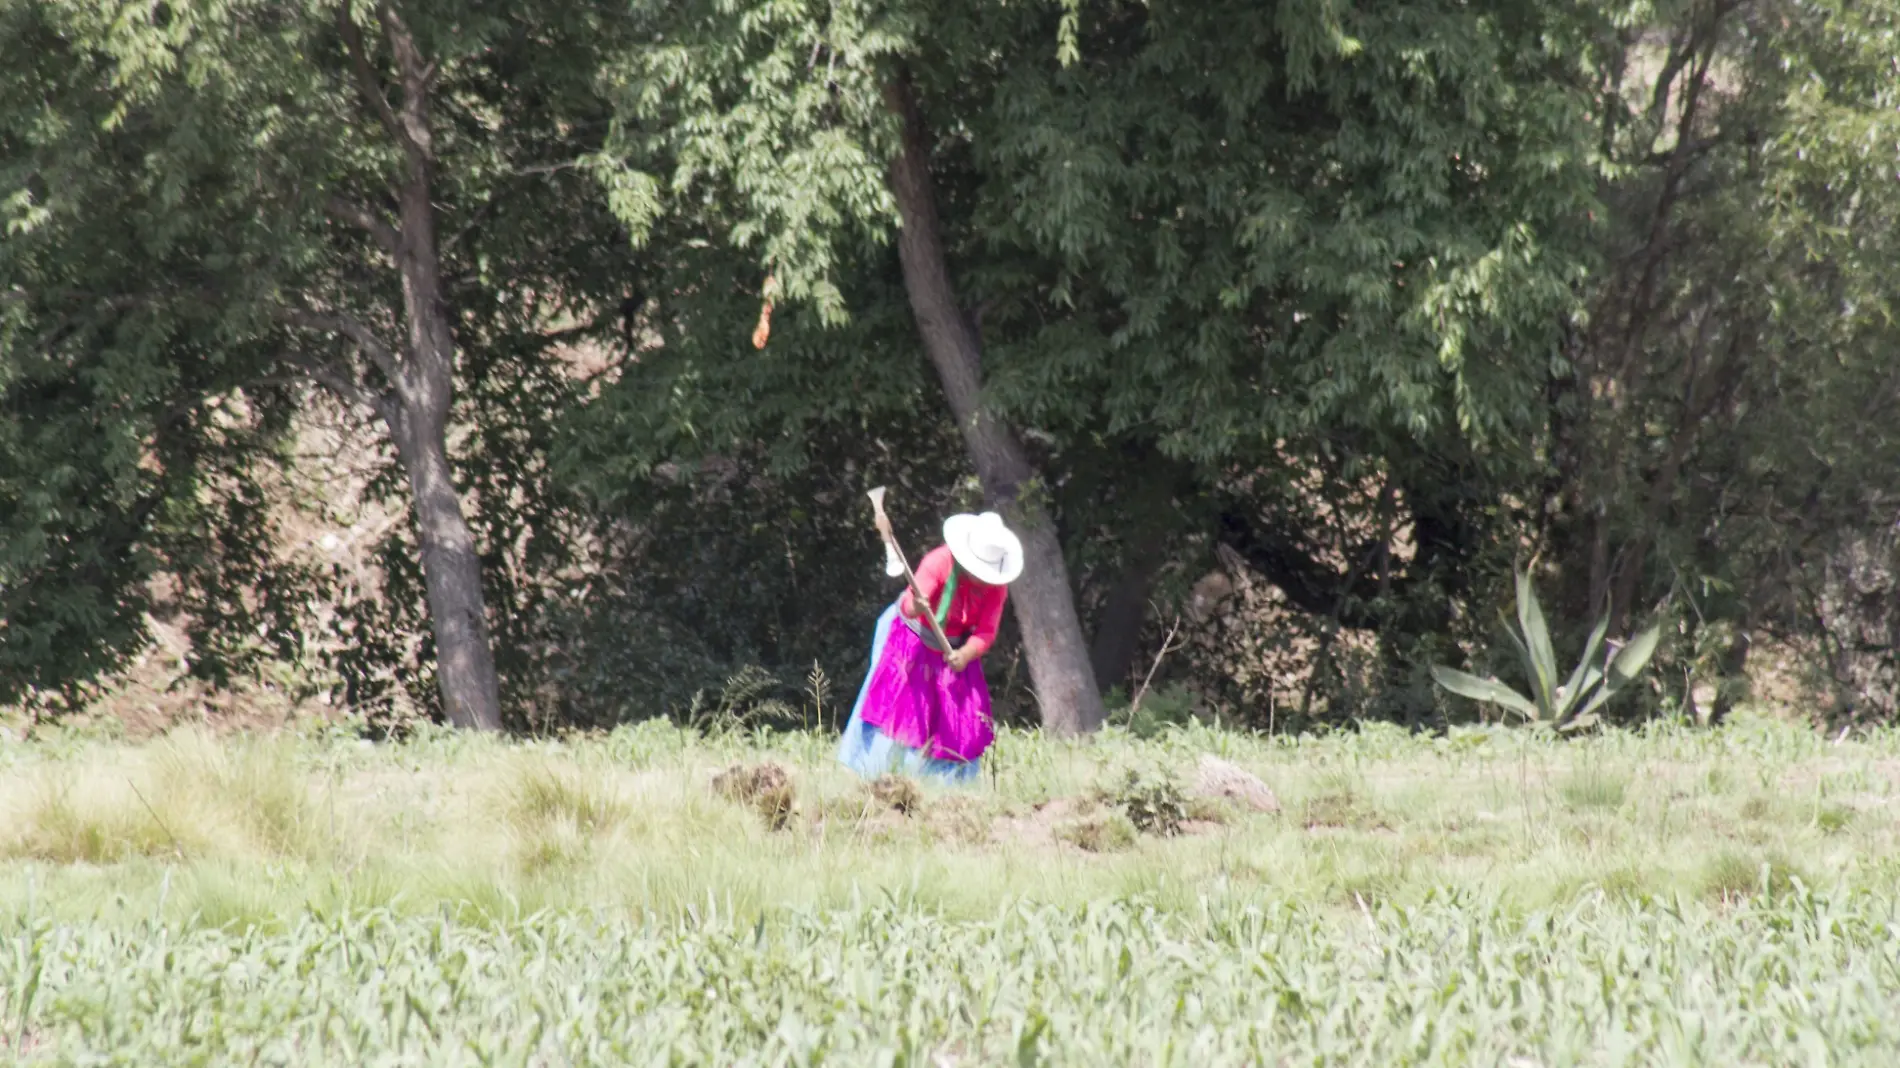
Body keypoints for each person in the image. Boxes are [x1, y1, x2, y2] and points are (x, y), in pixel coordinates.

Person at [837, 510, 1023, 783]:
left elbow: (986, 630)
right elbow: (908, 606)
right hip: (911, 638)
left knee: (955, 718)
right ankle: (878, 774)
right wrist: (917, 604)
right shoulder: (938, 562)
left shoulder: (997, 586)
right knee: (899, 708)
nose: (981, 578)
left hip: (953, 649)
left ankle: (946, 786)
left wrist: (965, 654)